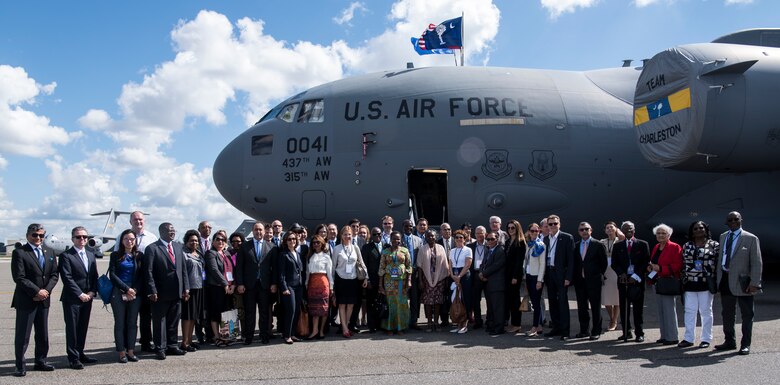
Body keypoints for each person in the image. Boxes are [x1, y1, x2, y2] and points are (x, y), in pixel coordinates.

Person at [12, 224, 59, 377]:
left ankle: (41, 361)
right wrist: (37, 291)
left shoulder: (49, 252)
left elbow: (54, 275)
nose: (38, 238)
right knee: (23, 335)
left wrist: (46, 291)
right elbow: (19, 277)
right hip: (27, 299)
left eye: (41, 235)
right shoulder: (19, 253)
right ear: (28, 236)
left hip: (44, 299)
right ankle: (20, 365)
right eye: (35, 235)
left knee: (42, 333)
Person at [715, 211, 763, 355]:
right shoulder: (723, 236)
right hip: (725, 278)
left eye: (736, 219)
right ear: (726, 222)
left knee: (747, 314)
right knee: (727, 313)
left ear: (741, 220)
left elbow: (756, 262)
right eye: (730, 220)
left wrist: (755, 282)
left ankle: (745, 344)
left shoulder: (750, 238)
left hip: (743, 281)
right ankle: (729, 341)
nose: (733, 222)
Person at [144, 223, 190, 360]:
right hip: (160, 293)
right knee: (160, 322)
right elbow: (149, 271)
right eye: (170, 230)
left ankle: (172, 345)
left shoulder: (177, 246)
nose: (173, 232)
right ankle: (160, 348)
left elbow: (183, 269)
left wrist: (186, 287)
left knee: (174, 320)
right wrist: (152, 290)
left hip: (177, 291)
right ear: (161, 231)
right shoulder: (152, 248)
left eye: (173, 230)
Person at [58, 226, 99, 369]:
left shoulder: (90, 255)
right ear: (72, 239)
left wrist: (92, 292)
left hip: (88, 298)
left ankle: (80, 353)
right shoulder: (66, 256)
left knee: (83, 327)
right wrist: (80, 294)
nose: (82, 239)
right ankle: (73, 358)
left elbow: (94, 276)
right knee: (72, 329)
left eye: (85, 237)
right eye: (78, 237)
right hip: (72, 299)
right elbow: (67, 278)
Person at [117, 211, 157, 352]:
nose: (138, 222)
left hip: (145, 282)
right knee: (128, 317)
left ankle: (146, 342)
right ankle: (128, 344)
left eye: (140, 219)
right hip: (127, 283)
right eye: (135, 219)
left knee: (146, 315)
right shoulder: (122, 237)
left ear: (144, 221)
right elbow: (117, 259)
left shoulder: (151, 238)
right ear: (130, 221)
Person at [235, 222, 277, 345]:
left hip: (265, 285)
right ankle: (249, 336)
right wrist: (240, 284)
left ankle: (264, 335)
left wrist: (274, 283)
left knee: (264, 312)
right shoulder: (245, 246)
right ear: (253, 231)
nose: (258, 232)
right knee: (250, 312)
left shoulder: (271, 247)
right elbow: (239, 267)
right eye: (256, 230)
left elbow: (274, 268)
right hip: (249, 285)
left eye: (260, 230)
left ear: (264, 232)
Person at [679, 221, 719, 348]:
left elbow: (718, 265)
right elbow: (683, 263)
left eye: (701, 228)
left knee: (706, 312)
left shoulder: (714, 245)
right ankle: (688, 338)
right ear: (692, 231)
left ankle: (706, 339)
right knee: (689, 311)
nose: (698, 230)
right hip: (690, 284)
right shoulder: (687, 245)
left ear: (706, 230)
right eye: (695, 228)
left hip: (705, 283)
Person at [108, 229, 144, 363]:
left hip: (135, 293)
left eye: (132, 239)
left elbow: (141, 276)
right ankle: (121, 352)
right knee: (120, 323)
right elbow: (112, 275)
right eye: (126, 239)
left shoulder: (139, 255)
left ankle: (131, 350)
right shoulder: (115, 255)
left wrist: (134, 290)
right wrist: (126, 288)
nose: (129, 242)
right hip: (118, 292)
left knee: (132, 323)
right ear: (121, 241)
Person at [612, 221, 650, 342]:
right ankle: (626, 332)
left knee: (638, 309)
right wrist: (621, 274)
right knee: (624, 308)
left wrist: (636, 275)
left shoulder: (643, 244)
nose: (629, 230)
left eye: (631, 229)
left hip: (637, 281)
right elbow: (614, 263)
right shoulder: (618, 246)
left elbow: (645, 262)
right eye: (626, 229)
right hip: (623, 281)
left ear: (634, 230)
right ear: (622, 230)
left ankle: (639, 333)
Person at [649, 223, 683, 346]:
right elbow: (654, 262)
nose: (661, 235)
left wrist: (661, 268)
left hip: (668, 282)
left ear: (669, 235)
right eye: (658, 233)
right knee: (661, 310)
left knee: (669, 310)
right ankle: (664, 335)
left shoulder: (675, 247)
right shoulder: (656, 247)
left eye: (663, 233)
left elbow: (678, 265)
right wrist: (651, 268)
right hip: (657, 282)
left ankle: (672, 336)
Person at [573, 222, 608, 340]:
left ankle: (596, 330)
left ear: (591, 230)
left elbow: (604, 263)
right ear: (579, 232)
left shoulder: (598, 244)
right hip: (580, 281)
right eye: (581, 230)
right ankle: (584, 330)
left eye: (586, 229)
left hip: (594, 280)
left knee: (595, 307)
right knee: (582, 307)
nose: (584, 231)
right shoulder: (577, 245)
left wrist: (598, 275)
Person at [332, 226, 368, 337]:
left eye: (349, 235)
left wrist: (366, 277)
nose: (347, 237)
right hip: (340, 279)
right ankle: (344, 329)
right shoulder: (337, 249)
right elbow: (333, 267)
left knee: (351, 305)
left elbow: (361, 262)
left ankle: (346, 325)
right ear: (341, 236)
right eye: (345, 234)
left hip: (353, 279)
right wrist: (332, 284)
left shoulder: (355, 247)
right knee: (342, 305)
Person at [543, 215, 574, 340]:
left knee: (562, 301)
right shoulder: (545, 239)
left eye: (555, 224)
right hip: (549, 273)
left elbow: (571, 260)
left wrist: (568, 277)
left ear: (559, 224)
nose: (552, 226)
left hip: (561, 274)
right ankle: (556, 327)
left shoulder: (566, 238)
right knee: (552, 301)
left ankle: (565, 331)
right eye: (550, 224)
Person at [378, 231, 412, 335]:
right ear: (390, 239)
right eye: (394, 239)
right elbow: (381, 268)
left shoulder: (405, 251)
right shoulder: (385, 252)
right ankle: (389, 327)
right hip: (389, 281)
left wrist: (409, 280)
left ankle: (400, 327)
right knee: (390, 303)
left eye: (398, 239)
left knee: (401, 303)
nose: (396, 241)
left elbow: (409, 266)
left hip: (401, 281)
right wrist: (380, 285)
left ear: (400, 240)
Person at [204, 232, 235, 347]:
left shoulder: (226, 253)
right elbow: (214, 270)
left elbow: (233, 269)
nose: (220, 241)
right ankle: (217, 337)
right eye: (218, 239)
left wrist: (233, 285)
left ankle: (226, 336)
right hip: (216, 288)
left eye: (223, 239)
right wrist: (225, 284)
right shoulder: (210, 253)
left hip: (228, 288)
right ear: (213, 241)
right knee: (216, 314)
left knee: (227, 313)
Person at [417, 229, 449, 332]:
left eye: (433, 236)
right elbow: (419, 266)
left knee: (437, 302)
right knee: (428, 302)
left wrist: (446, 279)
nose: (431, 238)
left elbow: (445, 264)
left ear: (436, 237)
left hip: (439, 279)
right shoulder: (422, 249)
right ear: (425, 237)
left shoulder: (441, 248)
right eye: (428, 236)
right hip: (426, 279)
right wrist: (420, 281)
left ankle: (436, 322)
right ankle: (429, 323)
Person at [278, 232, 305, 344]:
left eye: (294, 239)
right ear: (285, 241)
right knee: (291, 310)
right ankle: (287, 335)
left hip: (298, 286)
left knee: (297, 311)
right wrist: (284, 288)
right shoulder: (284, 255)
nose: (292, 241)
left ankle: (293, 333)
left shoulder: (297, 254)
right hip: (289, 286)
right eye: (289, 239)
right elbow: (281, 274)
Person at [180, 230, 205, 352]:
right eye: (191, 240)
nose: (194, 242)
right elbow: (182, 273)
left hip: (199, 288)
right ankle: (184, 342)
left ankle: (190, 340)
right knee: (187, 316)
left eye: (196, 240)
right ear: (186, 241)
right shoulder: (183, 254)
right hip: (189, 289)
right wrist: (185, 289)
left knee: (194, 316)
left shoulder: (199, 253)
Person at [305, 235, 333, 339]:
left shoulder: (326, 257)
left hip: (323, 283)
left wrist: (331, 287)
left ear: (322, 244)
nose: (316, 244)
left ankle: (321, 331)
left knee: (323, 309)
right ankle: (315, 330)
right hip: (312, 283)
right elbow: (308, 272)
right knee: (314, 309)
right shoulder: (310, 256)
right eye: (314, 243)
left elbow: (330, 273)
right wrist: (306, 283)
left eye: (318, 242)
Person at [479, 231, 507, 336]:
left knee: (498, 307)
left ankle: (499, 328)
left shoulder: (500, 250)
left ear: (497, 240)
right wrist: (481, 273)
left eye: (492, 239)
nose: (490, 241)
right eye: (488, 239)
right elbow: (483, 263)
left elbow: (496, 265)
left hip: (497, 284)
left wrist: (484, 274)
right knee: (491, 307)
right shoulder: (488, 250)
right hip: (489, 283)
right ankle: (492, 326)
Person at [522, 223, 546, 337]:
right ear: (529, 232)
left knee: (536, 304)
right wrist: (525, 275)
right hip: (529, 275)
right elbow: (526, 261)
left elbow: (542, 264)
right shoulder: (529, 244)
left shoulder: (541, 245)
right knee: (534, 301)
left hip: (536, 277)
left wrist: (539, 280)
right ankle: (539, 325)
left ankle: (534, 327)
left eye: (537, 231)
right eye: (532, 231)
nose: (534, 233)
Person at [504, 219, 526, 333]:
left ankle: (517, 324)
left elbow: (519, 261)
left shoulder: (521, 242)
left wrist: (515, 277)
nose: (511, 230)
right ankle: (513, 323)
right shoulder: (508, 242)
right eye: (509, 228)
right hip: (507, 275)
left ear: (517, 228)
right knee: (510, 300)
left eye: (513, 228)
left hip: (514, 276)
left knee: (515, 301)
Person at [449, 230, 473, 333]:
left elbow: (468, 264)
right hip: (454, 275)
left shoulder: (468, 250)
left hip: (464, 275)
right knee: (455, 298)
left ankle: (465, 324)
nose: (459, 239)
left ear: (464, 239)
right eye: (457, 237)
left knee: (465, 298)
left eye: (461, 237)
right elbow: (449, 264)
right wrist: (453, 275)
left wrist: (459, 276)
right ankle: (458, 323)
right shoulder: (452, 250)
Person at [401, 219, 423, 329]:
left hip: (414, 274)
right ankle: (403, 321)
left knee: (415, 299)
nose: (408, 228)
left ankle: (413, 321)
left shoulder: (418, 240)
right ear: (403, 227)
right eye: (406, 226)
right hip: (401, 275)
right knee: (402, 298)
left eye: (410, 226)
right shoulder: (398, 239)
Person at [600, 221, 622, 331]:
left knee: (617, 297)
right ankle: (612, 318)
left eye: (611, 227)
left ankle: (614, 320)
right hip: (606, 271)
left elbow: (623, 238)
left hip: (616, 270)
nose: (609, 229)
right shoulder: (602, 242)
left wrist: (618, 231)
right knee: (607, 298)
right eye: (607, 228)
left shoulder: (620, 241)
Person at [361, 228, 384, 333]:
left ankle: (381, 324)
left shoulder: (386, 246)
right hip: (372, 281)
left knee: (382, 303)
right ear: (371, 235)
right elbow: (363, 265)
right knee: (371, 304)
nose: (377, 236)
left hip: (384, 281)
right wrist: (367, 280)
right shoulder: (366, 248)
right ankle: (372, 325)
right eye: (374, 234)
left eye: (379, 234)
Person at [469, 226, 488, 329]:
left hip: (487, 275)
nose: (479, 235)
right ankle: (478, 321)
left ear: (485, 234)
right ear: (474, 235)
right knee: (476, 299)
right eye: (477, 233)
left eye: (481, 233)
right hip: (475, 274)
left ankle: (490, 320)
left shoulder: (490, 245)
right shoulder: (470, 246)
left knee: (489, 299)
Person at [437, 222, 455, 328]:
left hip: (454, 275)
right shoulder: (437, 243)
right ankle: (444, 320)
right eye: (445, 229)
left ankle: (455, 318)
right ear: (441, 232)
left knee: (454, 296)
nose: (447, 231)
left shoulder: (456, 241)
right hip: (442, 275)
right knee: (443, 297)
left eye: (449, 229)